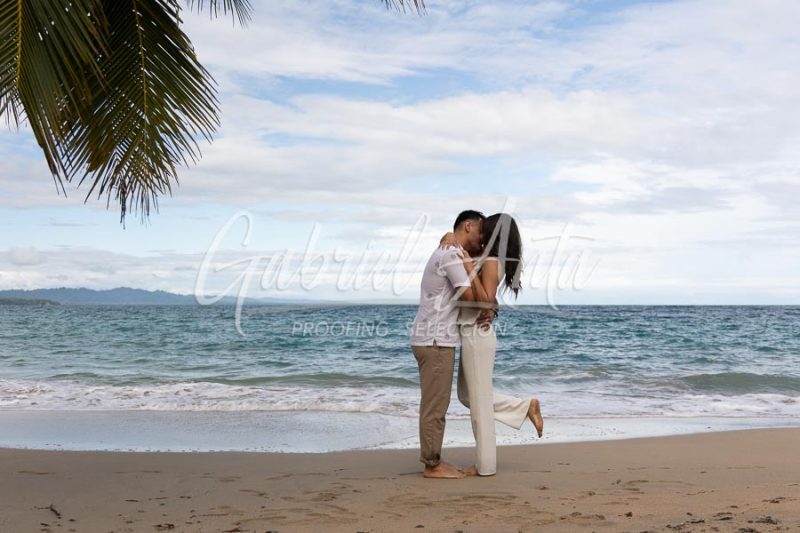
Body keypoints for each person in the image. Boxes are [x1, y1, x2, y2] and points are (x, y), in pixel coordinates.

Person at [444, 213, 545, 477]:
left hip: (477, 335)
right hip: (472, 334)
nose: (480, 233)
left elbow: (486, 299)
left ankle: (485, 466)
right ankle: (524, 407)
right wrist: (450, 238)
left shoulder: (489, 261)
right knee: (467, 397)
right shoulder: (487, 259)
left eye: (485, 229)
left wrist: (467, 265)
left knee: (479, 405)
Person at [409, 210, 494, 479]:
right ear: (468, 226)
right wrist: (485, 303)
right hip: (435, 339)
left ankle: (434, 459)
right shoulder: (452, 255)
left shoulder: (451, 251)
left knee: (436, 403)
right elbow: (470, 298)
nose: (483, 238)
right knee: (435, 406)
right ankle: (432, 465)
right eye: (481, 231)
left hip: (434, 338)